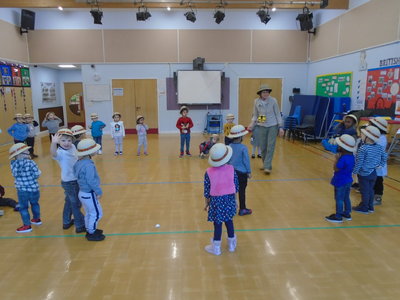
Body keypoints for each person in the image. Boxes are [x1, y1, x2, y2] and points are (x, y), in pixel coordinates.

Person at [204, 143, 239, 256]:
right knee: (229, 221)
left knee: (217, 224)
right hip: (229, 200)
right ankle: (231, 245)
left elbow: (207, 190)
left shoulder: (208, 172)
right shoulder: (231, 169)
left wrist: (206, 203)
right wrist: (236, 200)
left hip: (216, 202)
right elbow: (236, 186)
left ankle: (216, 248)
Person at [50, 129, 86, 233]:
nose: (67, 143)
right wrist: (53, 143)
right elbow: (53, 154)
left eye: (69, 140)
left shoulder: (73, 147)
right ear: (59, 142)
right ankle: (80, 225)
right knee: (76, 204)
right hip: (69, 182)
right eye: (63, 140)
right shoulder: (60, 153)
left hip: (76, 179)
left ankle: (66, 222)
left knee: (69, 202)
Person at [73, 138, 105, 241]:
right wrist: (98, 191)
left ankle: (90, 228)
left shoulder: (79, 162)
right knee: (97, 213)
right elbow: (91, 181)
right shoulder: (89, 165)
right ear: (90, 152)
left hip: (82, 192)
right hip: (89, 193)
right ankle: (91, 232)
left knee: (89, 212)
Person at [248, 84, 284, 174]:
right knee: (263, 146)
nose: (266, 93)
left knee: (270, 146)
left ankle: (267, 166)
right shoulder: (256, 101)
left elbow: (278, 114)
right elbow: (256, 114)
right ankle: (265, 164)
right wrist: (252, 124)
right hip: (261, 124)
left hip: (273, 125)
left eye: (267, 92)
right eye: (264, 92)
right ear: (260, 93)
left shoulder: (273, 100)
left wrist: (280, 127)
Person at [352, 126, 387, 214]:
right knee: (371, 190)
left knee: (365, 191)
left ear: (368, 137)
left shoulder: (363, 148)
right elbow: (385, 156)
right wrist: (381, 165)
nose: (361, 135)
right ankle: (370, 207)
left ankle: (364, 207)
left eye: (363, 134)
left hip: (364, 173)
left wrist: (355, 172)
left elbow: (359, 162)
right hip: (374, 172)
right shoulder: (379, 147)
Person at [9, 143, 41, 233]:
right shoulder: (31, 162)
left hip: (22, 191)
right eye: (26, 151)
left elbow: (14, 175)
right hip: (34, 189)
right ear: (20, 154)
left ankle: (27, 225)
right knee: (35, 204)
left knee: (23, 208)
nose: (28, 151)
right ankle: (36, 219)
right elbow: (37, 174)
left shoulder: (13, 164)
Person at [325, 134, 356, 223]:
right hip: (348, 180)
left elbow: (336, 168)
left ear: (342, 147)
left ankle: (338, 216)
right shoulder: (351, 157)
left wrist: (336, 159)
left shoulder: (342, 158)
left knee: (339, 198)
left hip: (340, 181)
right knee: (346, 197)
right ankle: (347, 213)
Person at [228, 125, 252, 216]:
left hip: (231, 172)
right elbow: (246, 161)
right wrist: (249, 172)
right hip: (242, 173)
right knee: (242, 191)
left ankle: (231, 207)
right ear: (241, 137)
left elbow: (227, 160)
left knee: (232, 190)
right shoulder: (243, 148)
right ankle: (242, 209)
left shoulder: (229, 146)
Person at [369, 117, 388, 205]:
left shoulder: (382, 139)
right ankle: (371, 195)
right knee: (372, 180)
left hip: (378, 164)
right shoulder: (375, 136)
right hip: (372, 163)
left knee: (378, 181)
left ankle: (378, 198)